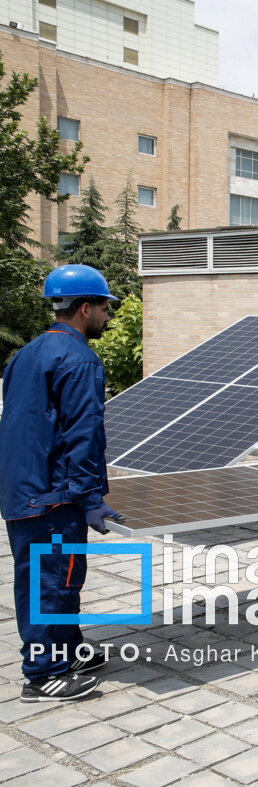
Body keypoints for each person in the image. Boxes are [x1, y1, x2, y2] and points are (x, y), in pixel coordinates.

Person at [1, 265, 122, 702]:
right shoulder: (78, 359)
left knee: (61, 579)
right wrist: (90, 497)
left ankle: (67, 650)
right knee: (48, 584)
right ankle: (42, 673)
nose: (107, 317)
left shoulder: (28, 353)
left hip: (25, 490)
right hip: (52, 498)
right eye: (105, 308)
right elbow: (82, 435)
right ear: (85, 307)